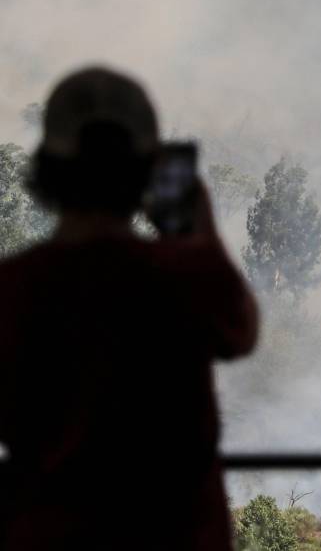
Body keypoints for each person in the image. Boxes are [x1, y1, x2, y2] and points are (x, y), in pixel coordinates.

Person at [0, 67, 258, 550]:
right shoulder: (184, 276)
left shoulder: (12, 287)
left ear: (49, 171)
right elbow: (240, 332)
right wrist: (198, 237)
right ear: (148, 172)